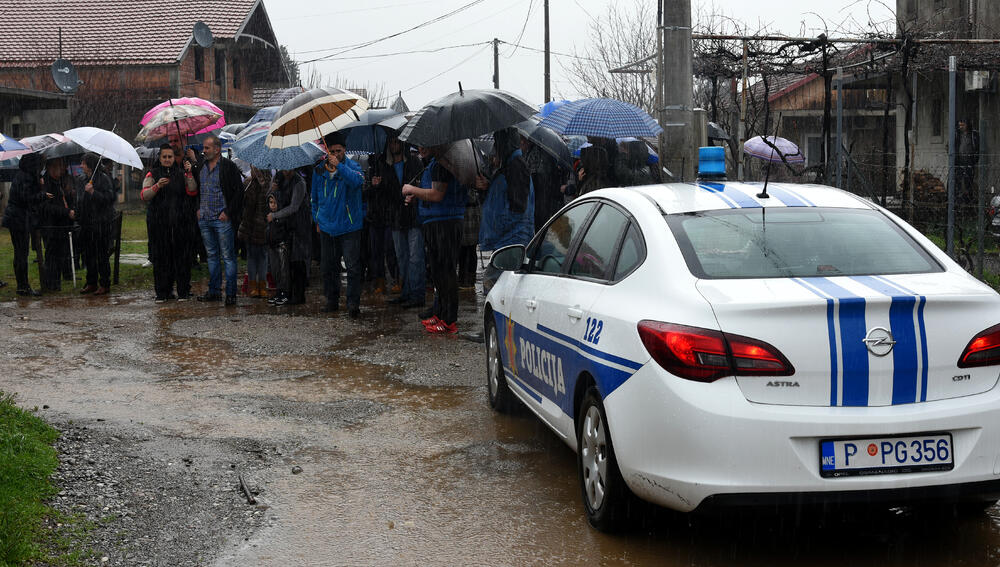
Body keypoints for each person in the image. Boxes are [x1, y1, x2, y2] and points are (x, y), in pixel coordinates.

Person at [402, 146, 467, 334]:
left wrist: (411, 188)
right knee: (438, 272)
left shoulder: (443, 163)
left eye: (425, 143)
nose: (421, 147)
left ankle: (449, 320)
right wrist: (417, 197)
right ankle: (440, 313)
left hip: (445, 222)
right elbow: (432, 193)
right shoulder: (434, 163)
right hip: (435, 220)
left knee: (446, 272)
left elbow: (437, 194)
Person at [312, 132, 365, 317]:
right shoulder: (319, 170)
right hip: (327, 226)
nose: (336, 153)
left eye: (339, 151)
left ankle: (352, 304)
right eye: (332, 151)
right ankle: (331, 300)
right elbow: (315, 198)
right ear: (327, 151)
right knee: (328, 267)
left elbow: (357, 182)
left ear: (344, 150)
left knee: (352, 267)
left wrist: (339, 167)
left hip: (349, 226)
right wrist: (317, 218)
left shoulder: (353, 166)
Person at [371, 134, 425, 307]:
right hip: (394, 217)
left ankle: (417, 294)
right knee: (401, 256)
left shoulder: (415, 162)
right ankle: (406, 291)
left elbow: (421, 185)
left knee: (415, 256)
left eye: (397, 141)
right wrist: (377, 186)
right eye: (391, 142)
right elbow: (383, 196)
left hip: (412, 215)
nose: (394, 145)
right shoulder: (384, 166)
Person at [141, 145, 198, 302]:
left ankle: (183, 291)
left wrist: (189, 173)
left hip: (180, 222)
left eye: (170, 157)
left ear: (174, 158)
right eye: (164, 157)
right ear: (160, 158)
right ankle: (163, 292)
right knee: (161, 258)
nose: (167, 160)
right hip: (159, 224)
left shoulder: (181, 173)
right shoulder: (153, 173)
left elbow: (192, 191)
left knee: (181, 258)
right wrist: (157, 186)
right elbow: (144, 195)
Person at [194, 135, 243, 306]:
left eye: (207, 148)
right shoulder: (201, 166)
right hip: (205, 218)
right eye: (204, 148)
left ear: (217, 148)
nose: (204, 151)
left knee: (228, 257)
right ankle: (214, 291)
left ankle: (230, 294)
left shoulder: (229, 167)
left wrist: (228, 212)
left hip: (222, 219)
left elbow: (238, 192)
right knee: (212, 256)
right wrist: (198, 209)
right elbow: (197, 190)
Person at [475, 127, 535, 252]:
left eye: (497, 143)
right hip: (506, 240)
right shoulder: (510, 165)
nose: (495, 148)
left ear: (504, 144)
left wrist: (497, 227)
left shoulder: (515, 167)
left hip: (511, 241)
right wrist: (488, 186)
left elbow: (517, 208)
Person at [2, 153, 46, 296]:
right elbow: (27, 198)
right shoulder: (26, 177)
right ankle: (23, 286)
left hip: (16, 217)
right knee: (21, 253)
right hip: (18, 219)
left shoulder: (22, 175)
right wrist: (42, 194)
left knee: (20, 253)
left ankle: (23, 285)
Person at [268, 169, 311, 306]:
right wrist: (272, 189)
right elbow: (270, 198)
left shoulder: (299, 182)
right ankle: (286, 292)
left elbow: (294, 207)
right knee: (285, 262)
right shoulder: (279, 178)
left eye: (288, 168)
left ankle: (298, 295)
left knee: (298, 261)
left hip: (299, 226)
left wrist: (275, 216)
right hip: (285, 226)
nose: (285, 170)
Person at [78, 153, 116, 296]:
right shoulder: (83, 179)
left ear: (90, 165)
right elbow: (81, 199)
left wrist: (93, 192)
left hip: (100, 224)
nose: (81, 166)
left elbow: (109, 198)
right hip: (87, 224)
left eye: (83, 163)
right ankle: (91, 282)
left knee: (101, 255)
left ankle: (105, 283)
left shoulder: (103, 179)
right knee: (89, 255)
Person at [39, 157, 76, 293]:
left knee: (59, 254)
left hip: (60, 224)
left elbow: (61, 199)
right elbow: (47, 207)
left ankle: (56, 283)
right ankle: (51, 283)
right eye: (59, 166)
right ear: (51, 168)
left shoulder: (57, 181)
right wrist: (66, 211)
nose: (62, 169)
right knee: (52, 255)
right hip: (51, 225)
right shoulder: (46, 183)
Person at [238, 167, 271, 299]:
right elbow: (244, 205)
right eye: (253, 168)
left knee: (263, 256)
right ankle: (252, 285)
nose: (255, 171)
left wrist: (264, 186)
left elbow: (266, 205)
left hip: (263, 225)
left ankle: (262, 285)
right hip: (250, 225)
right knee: (251, 256)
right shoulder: (248, 183)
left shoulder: (269, 183)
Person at [521, 136, 565, 231]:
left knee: (539, 228)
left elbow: (536, 179)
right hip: (543, 201)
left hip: (540, 201)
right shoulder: (544, 152)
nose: (522, 142)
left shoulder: (535, 154)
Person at [956, 119, 980, 208]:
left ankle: (968, 201)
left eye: (963, 125)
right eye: (960, 125)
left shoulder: (973, 135)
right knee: (958, 180)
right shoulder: (958, 134)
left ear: (967, 125)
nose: (961, 127)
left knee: (968, 181)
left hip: (969, 160)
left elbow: (977, 147)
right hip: (960, 160)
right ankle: (958, 201)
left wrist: (974, 159)